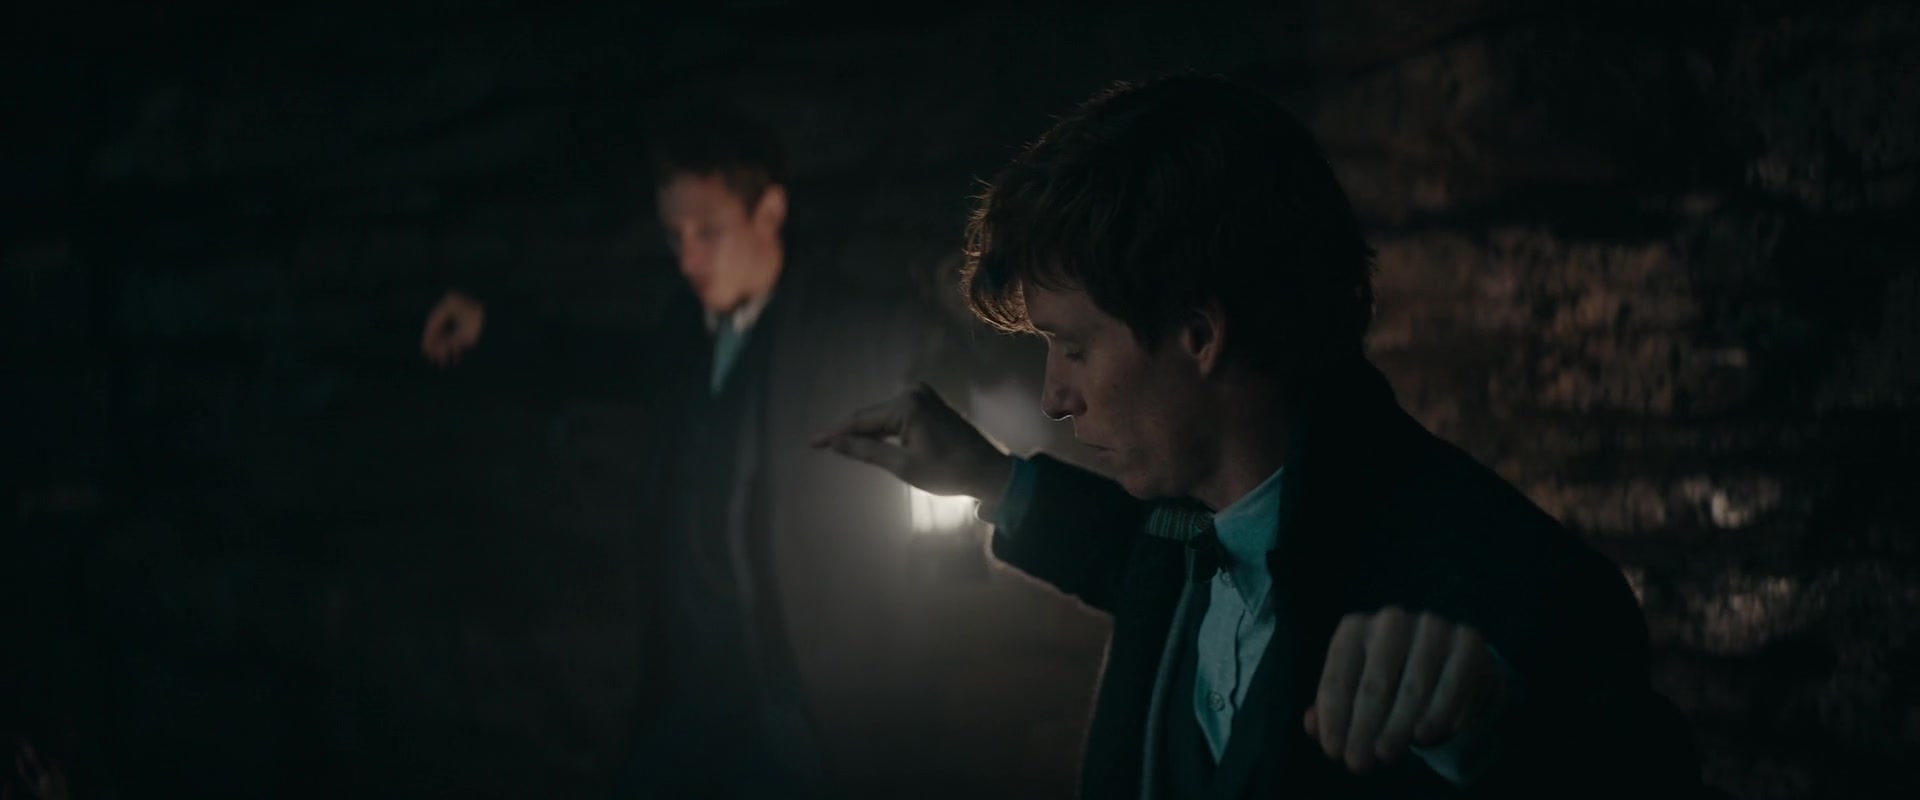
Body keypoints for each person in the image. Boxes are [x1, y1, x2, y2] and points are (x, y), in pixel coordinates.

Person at [813, 74, 1715, 798]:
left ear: (1200, 334)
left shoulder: (1508, 581)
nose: (1053, 396)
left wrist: (1488, 736)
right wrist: (990, 478)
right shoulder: (1190, 520)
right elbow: (1131, 554)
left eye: (1075, 347)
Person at [420, 105, 935, 798]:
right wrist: (492, 329)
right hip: (689, 701)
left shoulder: (842, 331)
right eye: (674, 236)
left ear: (770, 212)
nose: (687, 260)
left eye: (708, 233)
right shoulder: (683, 333)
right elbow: (597, 358)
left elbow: (937, 359)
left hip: (798, 716)